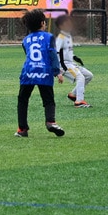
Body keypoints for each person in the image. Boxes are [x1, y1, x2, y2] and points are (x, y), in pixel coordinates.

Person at [16, 10, 65, 138]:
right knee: (48, 100)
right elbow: (52, 54)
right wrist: (57, 72)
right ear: (42, 23)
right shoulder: (49, 37)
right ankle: (50, 122)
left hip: (28, 72)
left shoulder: (25, 40)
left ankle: (22, 129)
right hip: (44, 72)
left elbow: (28, 55)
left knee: (23, 100)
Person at [53, 13, 94, 107]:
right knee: (80, 77)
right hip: (64, 65)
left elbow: (66, 52)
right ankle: (79, 101)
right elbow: (56, 53)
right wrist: (60, 68)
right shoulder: (61, 38)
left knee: (89, 76)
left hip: (71, 63)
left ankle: (73, 94)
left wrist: (75, 57)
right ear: (61, 26)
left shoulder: (67, 36)